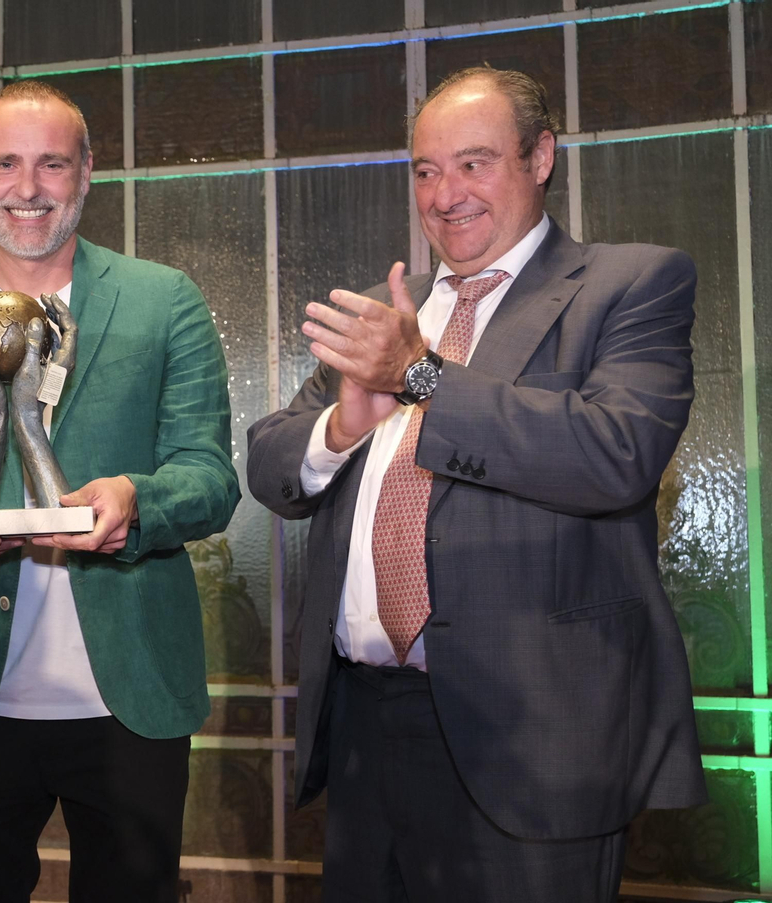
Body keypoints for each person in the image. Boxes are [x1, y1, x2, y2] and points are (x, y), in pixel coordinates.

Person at [247, 67, 707, 902]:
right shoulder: (394, 310)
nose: (445, 193)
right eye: (425, 170)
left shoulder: (630, 284)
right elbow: (274, 468)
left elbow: (615, 453)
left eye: (474, 162)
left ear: (540, 158)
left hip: (533, 743)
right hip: (362, 731)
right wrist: (344, 425)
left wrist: (420, 376)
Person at [0, 80, 241, 903]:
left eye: (52, 163)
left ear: (87, 172)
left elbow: (212, 477)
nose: (28, 187)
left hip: (132, 695)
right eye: (6, 162)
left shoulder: (164, 301)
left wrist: (136, 500)